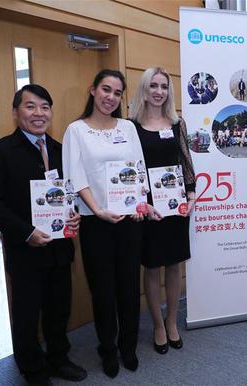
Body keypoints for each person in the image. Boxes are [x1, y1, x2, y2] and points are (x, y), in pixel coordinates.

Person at [0, 84, 87, 386]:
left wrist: (74, 214)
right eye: (30, 106)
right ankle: (33, 369)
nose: (39, 113)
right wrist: (26, 233)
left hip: (60, 248)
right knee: (27, 314)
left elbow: (70, 193)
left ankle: (58, 358)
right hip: (25, 249)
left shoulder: (61, 151)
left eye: (45, 107)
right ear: (16, 112)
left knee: (59, 308)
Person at [63, 69, 158, 378]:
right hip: (96, 222)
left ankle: (127, 345)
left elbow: (139, 170)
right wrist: (98, 210)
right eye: (106, 89)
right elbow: (74, 177)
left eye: (117, 93)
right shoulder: (76, 130)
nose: (110, 97)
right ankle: (107, 349)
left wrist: (140, 202)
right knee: (103, 289)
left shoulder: (128, 127)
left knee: (129, 287)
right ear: (93, 90)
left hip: (130, 220)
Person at [128, 67, 196, 355]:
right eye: (153, 85)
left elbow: (186, 160)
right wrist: (137, 201)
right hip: (147, 206)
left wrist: (191, 194)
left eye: (164, 86)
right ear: (144, 89)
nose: (159, 91)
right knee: (152, 265)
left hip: (175, 202)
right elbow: (128, 167)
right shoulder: (130, 126)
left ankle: (171, 322)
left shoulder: (176, 123)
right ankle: (157, 324)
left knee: (174, 265)